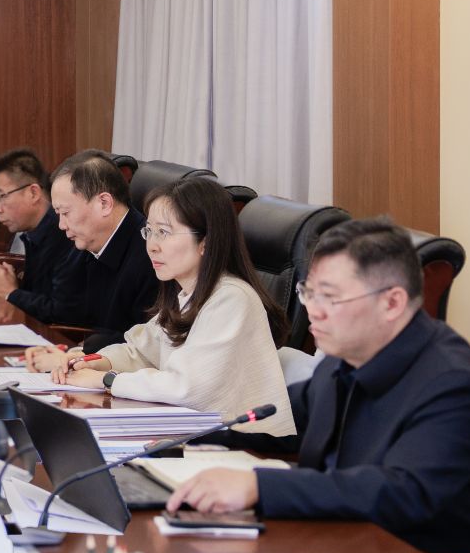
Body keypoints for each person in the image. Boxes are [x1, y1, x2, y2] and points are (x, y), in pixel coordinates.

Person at [166, 219, 470, 553]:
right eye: (309, 293)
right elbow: (285, 418)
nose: (313, 311)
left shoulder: (454, 385)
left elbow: (401, 492)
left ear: (392, 302)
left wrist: (258, 486)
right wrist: (184, 437)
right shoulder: (345, 359)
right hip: (353, 551)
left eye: (330, 297)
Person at [40, 176, 294, 436]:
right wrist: (94, 361)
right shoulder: (186, 294)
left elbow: (188, 388)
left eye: (163, 232)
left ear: (205, 242)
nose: (152, 246)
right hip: (197, 436)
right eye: (149, 231)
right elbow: (141, 352)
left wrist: (107, 380)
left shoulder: (232, 299)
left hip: (248, 447)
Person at [23, 151, 157, 344]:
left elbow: (145, 345)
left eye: (65, 213)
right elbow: (66, 311)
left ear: (104, 203)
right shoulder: (87, 242)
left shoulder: (152, 256)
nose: (61, 225)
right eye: (58, 214)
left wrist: (80, 351)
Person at [0, 148, 80, 320]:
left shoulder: (65, 234)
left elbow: (63, 313)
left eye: (1, 196)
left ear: (33, 193)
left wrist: (11, 292)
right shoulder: (35, 233)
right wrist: (11, 284)